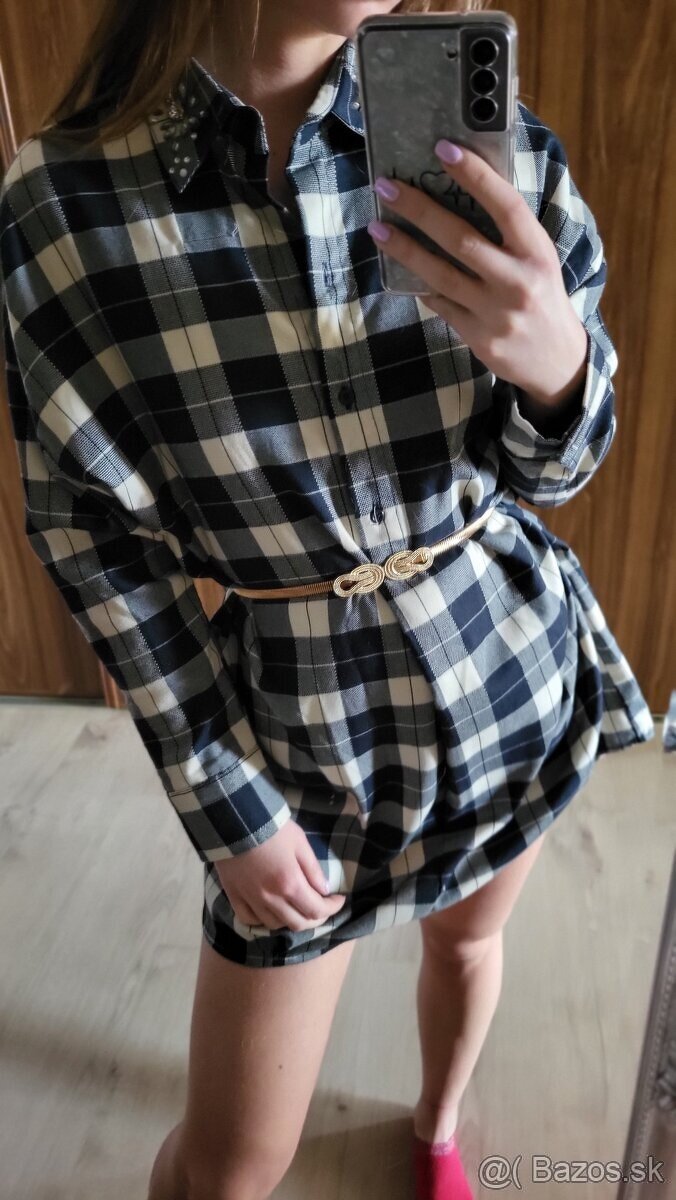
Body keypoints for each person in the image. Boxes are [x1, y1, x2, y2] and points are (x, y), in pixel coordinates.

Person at [0, 1, 655, 1198]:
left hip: (503, 668)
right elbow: (95, 546)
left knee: (471, 943)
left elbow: (560, 468)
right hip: (301, 754)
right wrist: (223, 799)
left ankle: (437, 1126)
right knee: (231, 1163)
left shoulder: (480, 138)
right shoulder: (67, 206)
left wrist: (558, 368)